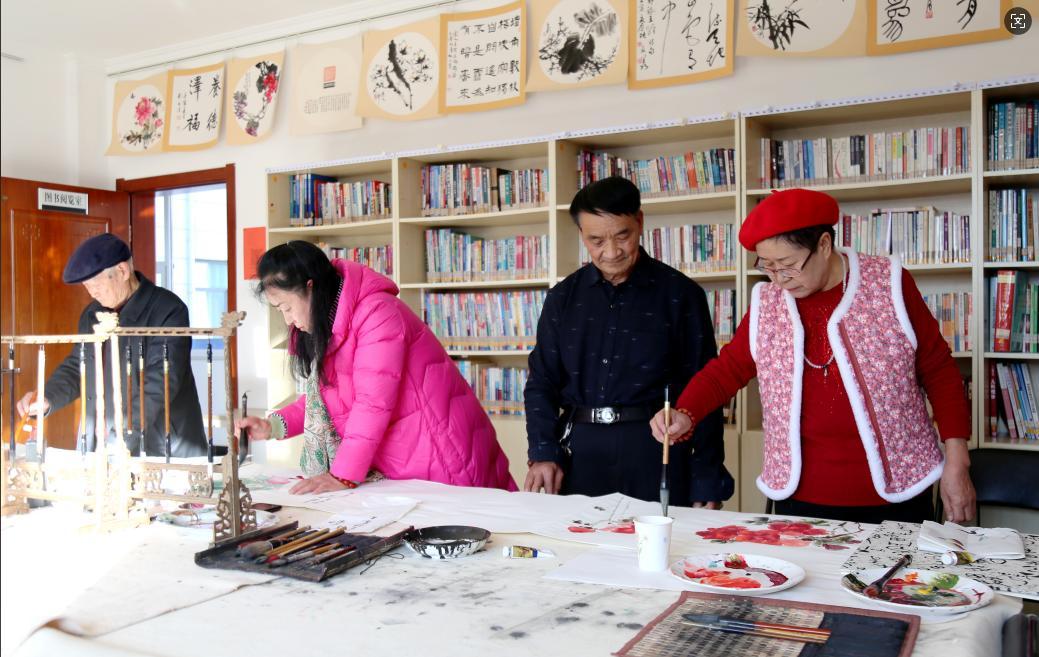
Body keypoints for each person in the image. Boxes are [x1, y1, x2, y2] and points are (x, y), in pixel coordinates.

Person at [651, 188, 976, 524]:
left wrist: (957, 459)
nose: (780, 279)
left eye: (789, 265)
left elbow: (939, 371)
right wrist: (685, 412)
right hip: (800, 497)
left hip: (899, 491)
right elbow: (728, 369)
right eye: (768, 267)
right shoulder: (769, 302)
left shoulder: (887, 283)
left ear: (823, 244)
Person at [237, 241, 516, 494]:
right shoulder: (330, 326)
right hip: (407, 458)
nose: (288, 320)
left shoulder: (377, 313)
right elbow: (324, 399)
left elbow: (372, 403)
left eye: (286, 307)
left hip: (441, 454)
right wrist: (273, 426)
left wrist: (343, 475)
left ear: (311, 287)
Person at [523, 176, 733, 507]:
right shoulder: (562, 299)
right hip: (580, 451)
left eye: (622, 236)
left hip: (657, 450)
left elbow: (705, 387)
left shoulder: (681, 295)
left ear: (639, 222)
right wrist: (543, 451)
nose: (611, 252)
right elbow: (542, 382)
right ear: (581, 234)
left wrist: (707, 476)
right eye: (595, 240)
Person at [17, 233, 207, 456]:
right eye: (87, 286)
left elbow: (161, 382)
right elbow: (79, 366)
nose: (92, 292)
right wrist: (47, 396)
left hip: (162, 445)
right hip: (105, 442)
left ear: (123, 271)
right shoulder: (92, 314)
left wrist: (122, 435)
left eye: (96, 284)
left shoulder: (168, 310)